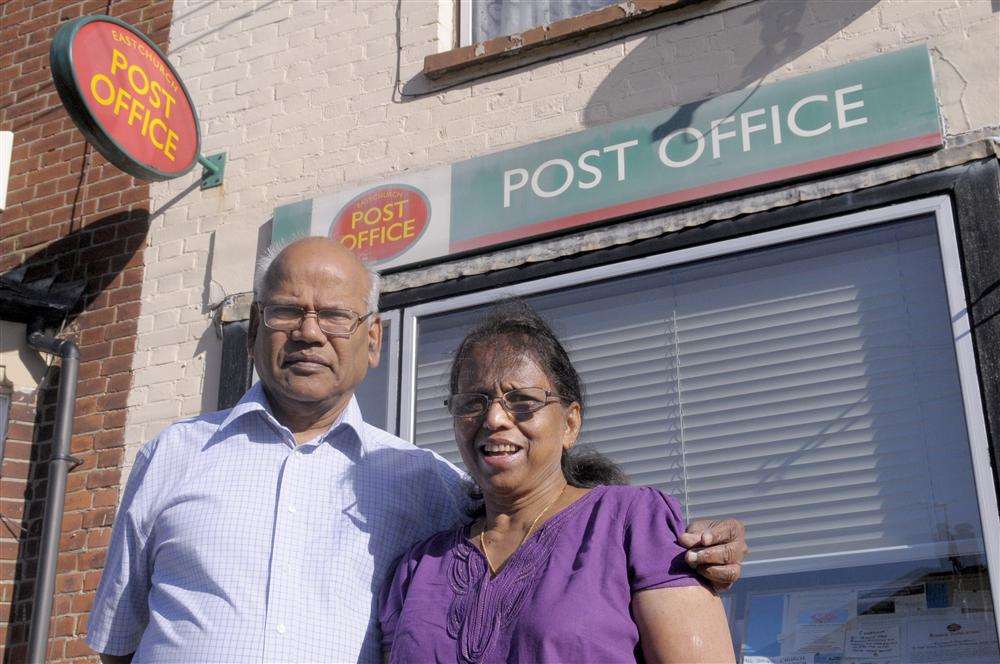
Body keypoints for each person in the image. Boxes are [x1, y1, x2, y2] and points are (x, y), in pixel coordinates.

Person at [86, 237, 746, 663]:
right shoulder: (172, 457)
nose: (310, 332)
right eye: (288, 311)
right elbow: (116, 645)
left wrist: (709, 547)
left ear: (372, 341)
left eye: (335, 316)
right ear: (256, 328)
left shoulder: (421, 481)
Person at [379, 301, 735, 663]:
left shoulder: (633, 524)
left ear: (570, 424)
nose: (495, 417)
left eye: (522, 400)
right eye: (474, 401)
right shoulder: (418, 569)